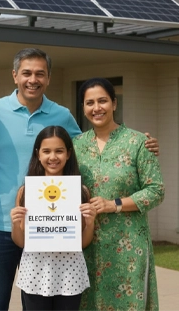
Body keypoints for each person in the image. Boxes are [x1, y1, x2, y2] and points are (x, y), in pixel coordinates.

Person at [0, 48, 159, 311]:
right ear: (15, 76)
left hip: (51, 228)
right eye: (27, 73)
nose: (33, 79)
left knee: (39, 302)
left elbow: (86, 147)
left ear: (49, 78)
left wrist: (139, 143)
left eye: (40, 74)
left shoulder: (62, 115)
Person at [72, 77, 165, 311]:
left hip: (128, 244)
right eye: (89, 103)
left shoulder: (138, 142)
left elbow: (156, 190)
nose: (96, 108)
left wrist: (113, 204)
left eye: (102, 101)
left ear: (114, 103)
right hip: (86, 243)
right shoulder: (75, 146)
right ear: (83, 108)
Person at [10, 125, 96, 311]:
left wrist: (89, 224)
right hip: (35, 272)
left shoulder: (81, 192)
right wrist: (16, 223)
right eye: (46, 151)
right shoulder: (25, 192)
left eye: (59, 151)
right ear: (38, 154)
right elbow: (20, 241)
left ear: (68, 154)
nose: (53, 157)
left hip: (70, 273)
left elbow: (82, 243)